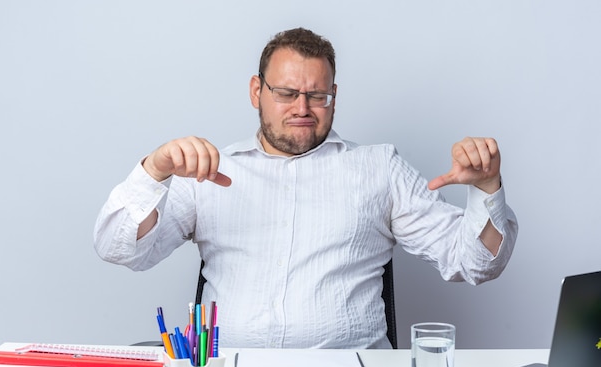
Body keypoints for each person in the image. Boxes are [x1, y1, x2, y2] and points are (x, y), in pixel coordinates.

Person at [94, 27, 518, 349]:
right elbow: (120, 250)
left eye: (317, 95)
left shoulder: (379, 169)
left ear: (334, 95)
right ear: (256, 91)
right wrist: (154, 172)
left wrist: (485, 188)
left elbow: (475, 264)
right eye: (286, 93)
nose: (302, 109)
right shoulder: (207, 172)